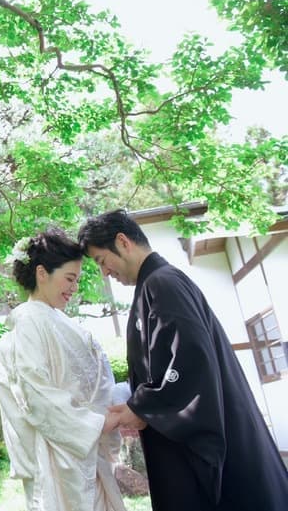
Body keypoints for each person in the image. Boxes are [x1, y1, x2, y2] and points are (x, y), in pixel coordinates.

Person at [79, 209, 288, 511]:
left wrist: (142, 406)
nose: (104, 272)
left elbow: (191, 359)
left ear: (123, 242)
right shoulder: (155, 284)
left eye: (101, 261)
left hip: (214, 442)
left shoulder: (162, 283)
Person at [0, 229, 126, 511]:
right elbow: (36, 395)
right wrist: (96, 423)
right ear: (42, 273)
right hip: (58, 455)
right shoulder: (29, 322)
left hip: (83, 447)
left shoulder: (55, 319)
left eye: (76, 280)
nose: (74, 288)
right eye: (69, 278)